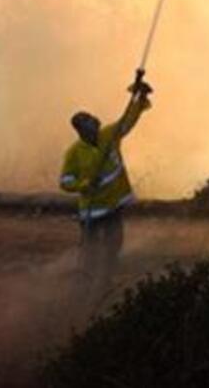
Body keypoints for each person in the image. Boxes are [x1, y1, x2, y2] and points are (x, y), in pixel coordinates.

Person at [59, 73, 152, 300]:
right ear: (80, 130)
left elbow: (127, 121)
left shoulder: (109, 135)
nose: (93, 120)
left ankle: (105, 283)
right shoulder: (74, 153)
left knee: (113, 247)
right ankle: (83, 288)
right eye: (88, 121)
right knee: (89, 251)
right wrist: (84, 184)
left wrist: (139, 99)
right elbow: (65, 181)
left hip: (113, 205)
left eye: (91, 118)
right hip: (92, 208)